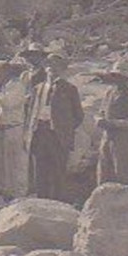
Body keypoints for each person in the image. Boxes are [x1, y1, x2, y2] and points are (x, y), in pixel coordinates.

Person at [25, 50, 83, 202]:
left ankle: (58, 202)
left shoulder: (69, 89)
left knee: (58, 171)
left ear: (62, 69)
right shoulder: (38, 88)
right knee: (40, 170)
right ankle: (41, 200)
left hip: (57, 135)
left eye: (55, 65)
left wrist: (64, 129)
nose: (51, 68)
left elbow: (78, 116)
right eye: (48, 64)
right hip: (39, 132)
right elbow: (30, 111)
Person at [0, 59, 29, 198]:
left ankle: (17, 195)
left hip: (12, 128)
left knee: (13, 165)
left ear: (6, 72)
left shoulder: (16, 86)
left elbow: (6, 103)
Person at [93, 60, 128, 186]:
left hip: (123, 139)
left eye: (121, 77)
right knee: (104, 170)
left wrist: (114, 123)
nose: (117, 79)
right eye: (115, 76)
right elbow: (101, 111)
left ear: (126, 79)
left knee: (122, 172)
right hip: (107, 136)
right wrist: (99, 120)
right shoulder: (109, 93)